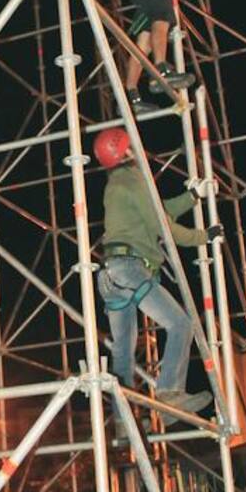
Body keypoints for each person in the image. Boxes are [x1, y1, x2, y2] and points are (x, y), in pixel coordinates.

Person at [94, 126, 218, 421]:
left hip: (112, 274)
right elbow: (163, 226)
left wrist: (192, 197)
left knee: (123, 354)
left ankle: (124, 423)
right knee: (180, 325)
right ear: (124, 150)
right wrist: (204, 236)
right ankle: (169, 394)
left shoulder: (117, 182)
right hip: (130, 269)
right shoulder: (134, 178)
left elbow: (158, 211)